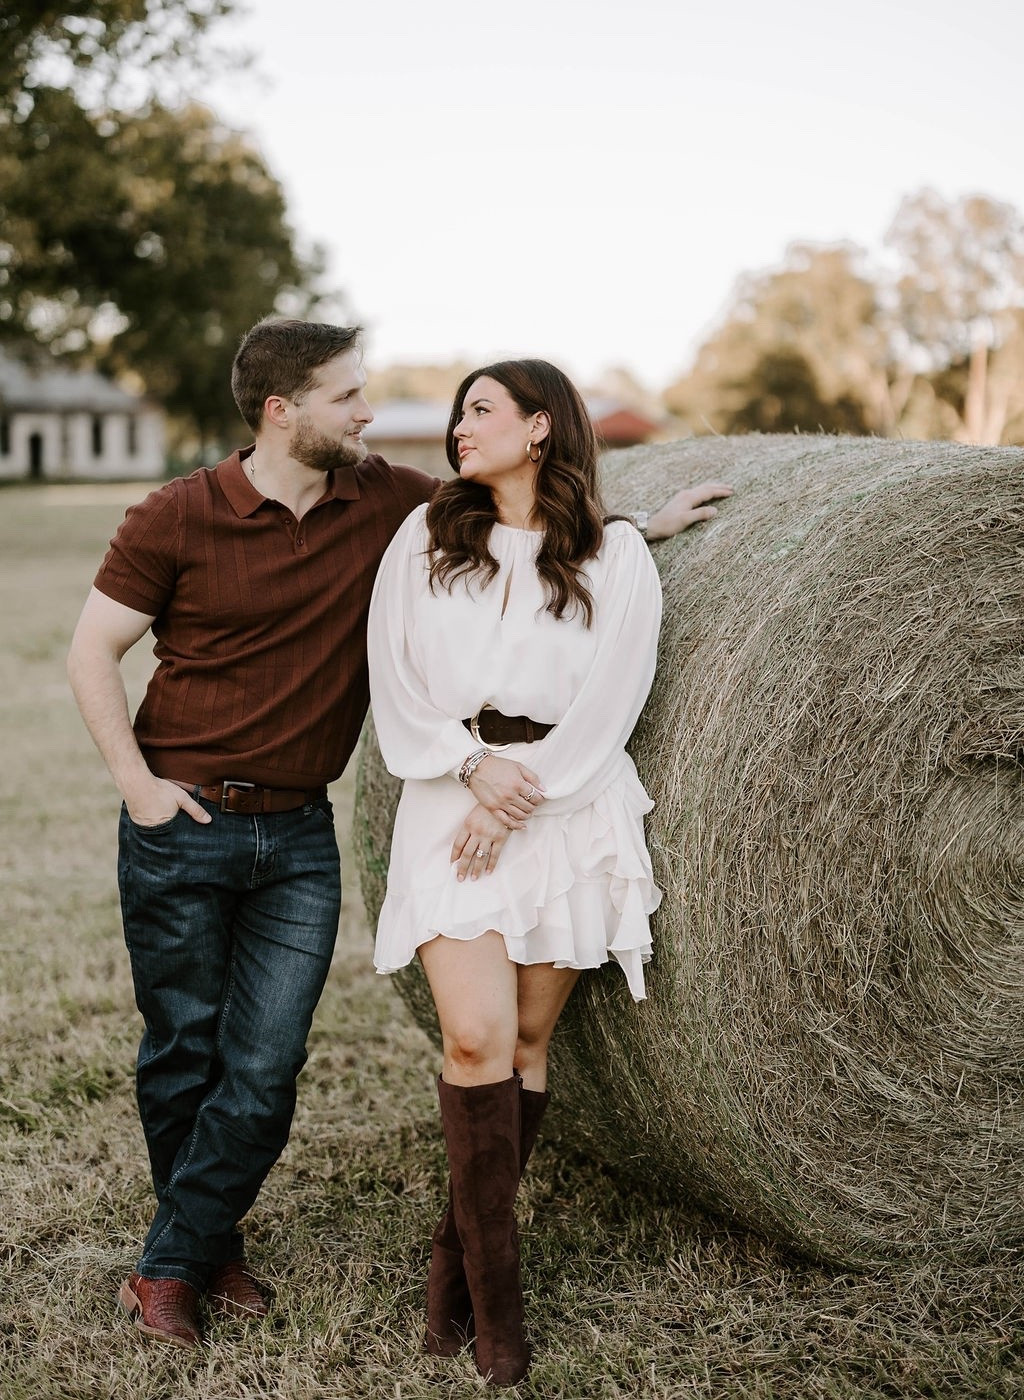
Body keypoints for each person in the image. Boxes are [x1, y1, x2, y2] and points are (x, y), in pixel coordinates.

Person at [66, 317, 730, 1352]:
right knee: (184, 1050)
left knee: (265, 1067)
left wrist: (645, 524)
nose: (371, 414)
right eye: (348, 396)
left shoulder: (382, 499)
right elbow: (90, 653)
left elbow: (537, 528)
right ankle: (190, 1256)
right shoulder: (181, 513)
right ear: (283, 409)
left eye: (367, 394)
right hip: (183, 819)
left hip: (298, 831)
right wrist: (139, 789)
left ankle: (190, 1252)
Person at [367, 359, 670, 1386]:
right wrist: (473, 773)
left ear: (540, 427)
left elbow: (613, 700)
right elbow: (394, 678)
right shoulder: (423, 540)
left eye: (481, 410)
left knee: (527, 1042)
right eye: (458, 412)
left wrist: (520, 798)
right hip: (451, 795)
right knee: (474, 1037)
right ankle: (501, 1314)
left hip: (568, 809)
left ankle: (455, 1267)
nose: (460, 427)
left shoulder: (616, 554)